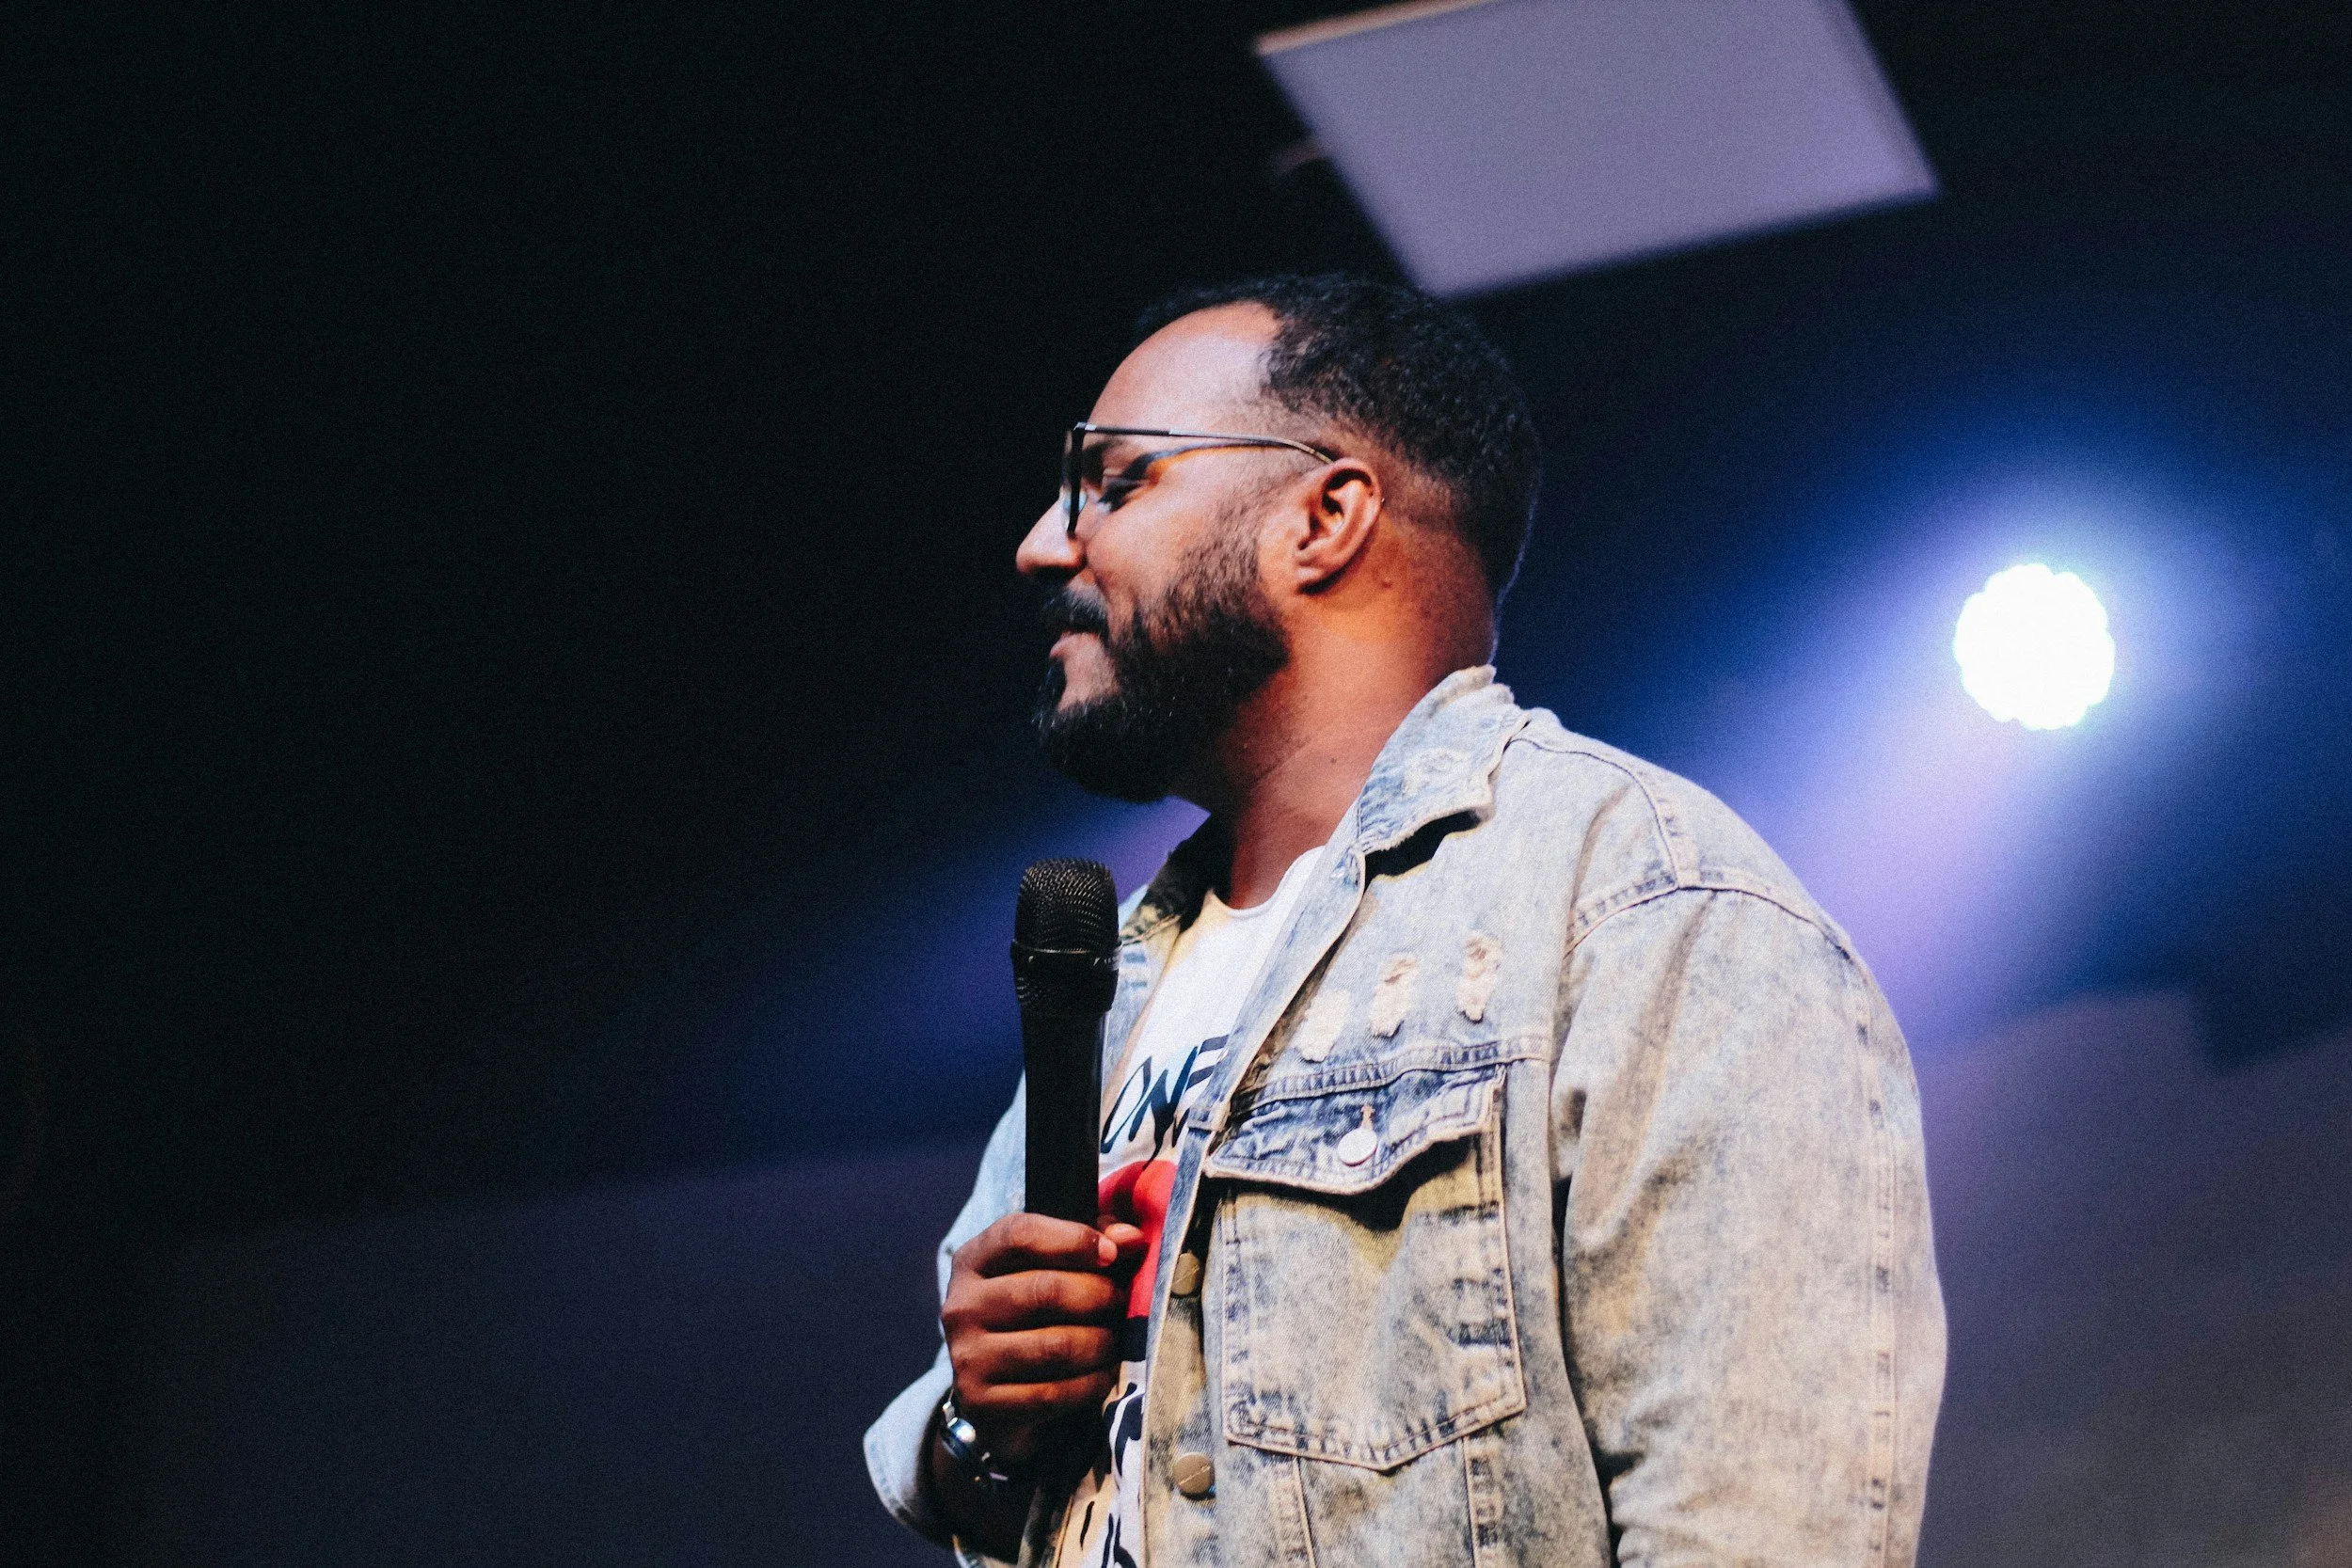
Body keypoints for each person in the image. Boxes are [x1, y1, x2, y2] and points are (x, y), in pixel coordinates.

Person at [866, 273, 1945, 1568]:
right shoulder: (1114, 985)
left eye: (1118, 480)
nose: (1047, 540)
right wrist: (979, 1429)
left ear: (1325, 516)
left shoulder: (1643, 912)